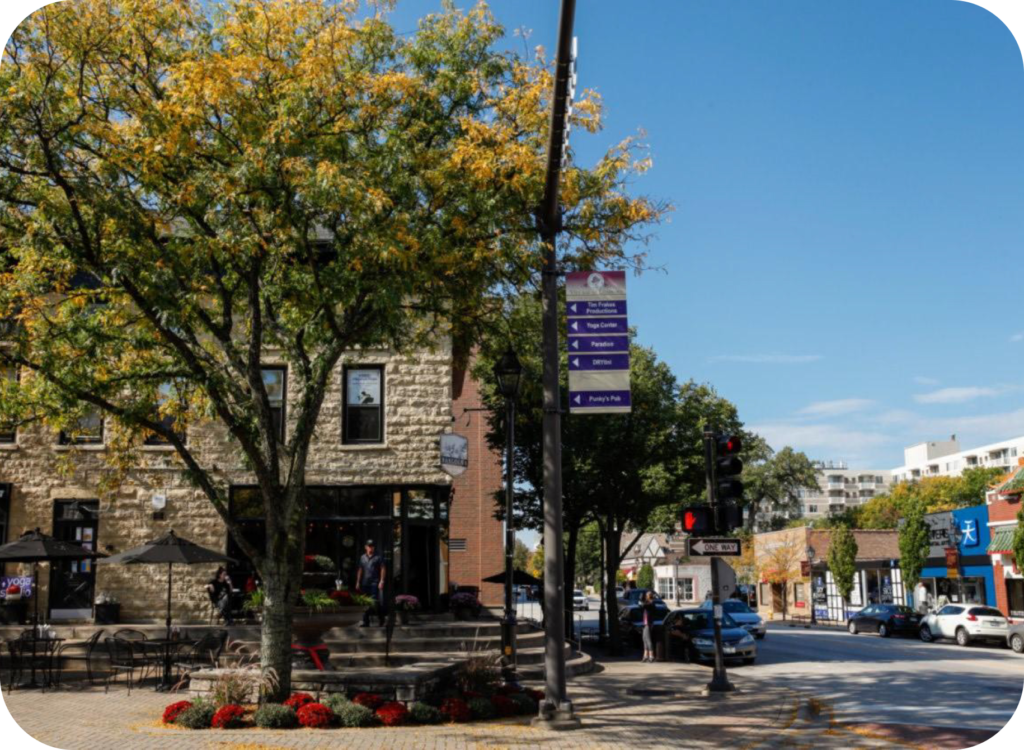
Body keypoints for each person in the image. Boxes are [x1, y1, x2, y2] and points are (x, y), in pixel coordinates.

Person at [355, 539, 386, 627]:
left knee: (374, 602)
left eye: (372, 546)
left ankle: (381, 618)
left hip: (374, 582)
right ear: (366, 547)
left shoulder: (378, 557)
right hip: (364, 583)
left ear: (374, 547)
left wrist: (382, 580)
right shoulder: (362, 557)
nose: (370, 548)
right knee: (365, 602)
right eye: (369, 546)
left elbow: (383, 568)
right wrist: (357, 582)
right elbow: (360, 570)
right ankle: (366, 621)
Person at [640, 590, 658, 663]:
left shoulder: (651, 603)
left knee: (648, 640)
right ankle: (645, 656)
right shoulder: (648, 603)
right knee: (644, 639)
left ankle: (651, 656)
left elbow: (644, 605)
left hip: (648, 623)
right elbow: (642, 606)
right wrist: (642, 600)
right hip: (645, 623)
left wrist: (641, 600)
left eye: (647, 595)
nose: (646, 596)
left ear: (649, 596)